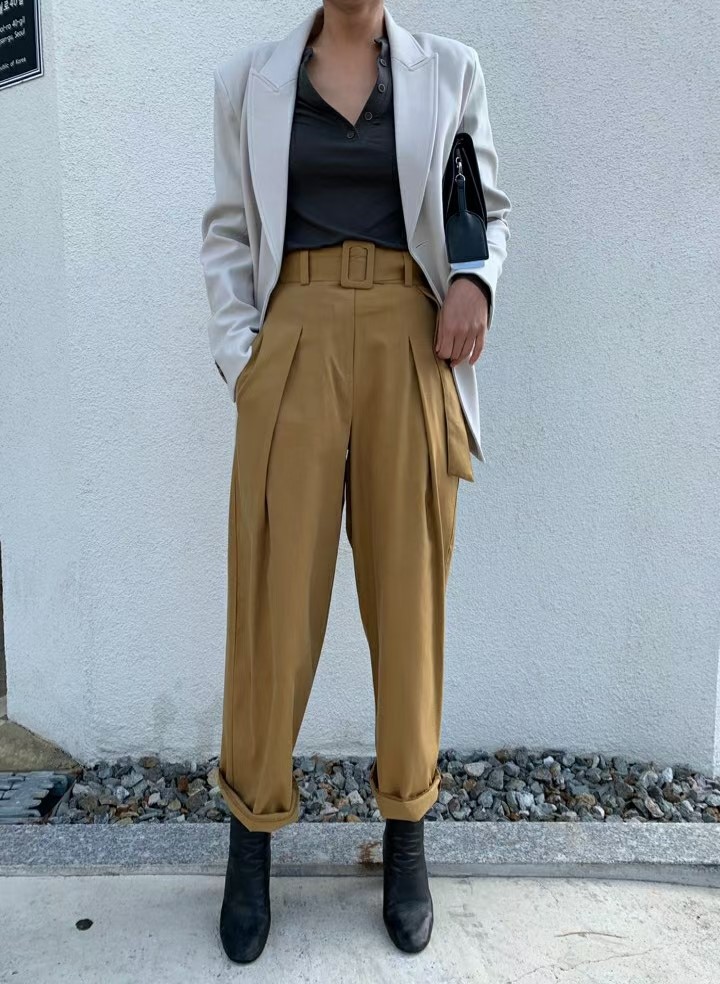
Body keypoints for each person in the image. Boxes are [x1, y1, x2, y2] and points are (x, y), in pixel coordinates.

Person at [200, 0, 510, 962]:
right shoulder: (251, 79)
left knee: (409, 598)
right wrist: (246, 361)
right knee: (273, 605)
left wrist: (474, 281)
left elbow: (481, 207)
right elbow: (226, 232)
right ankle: (251, 833)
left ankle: (407, 831)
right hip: (292, 339)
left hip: (407, 341)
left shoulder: (448, 70)